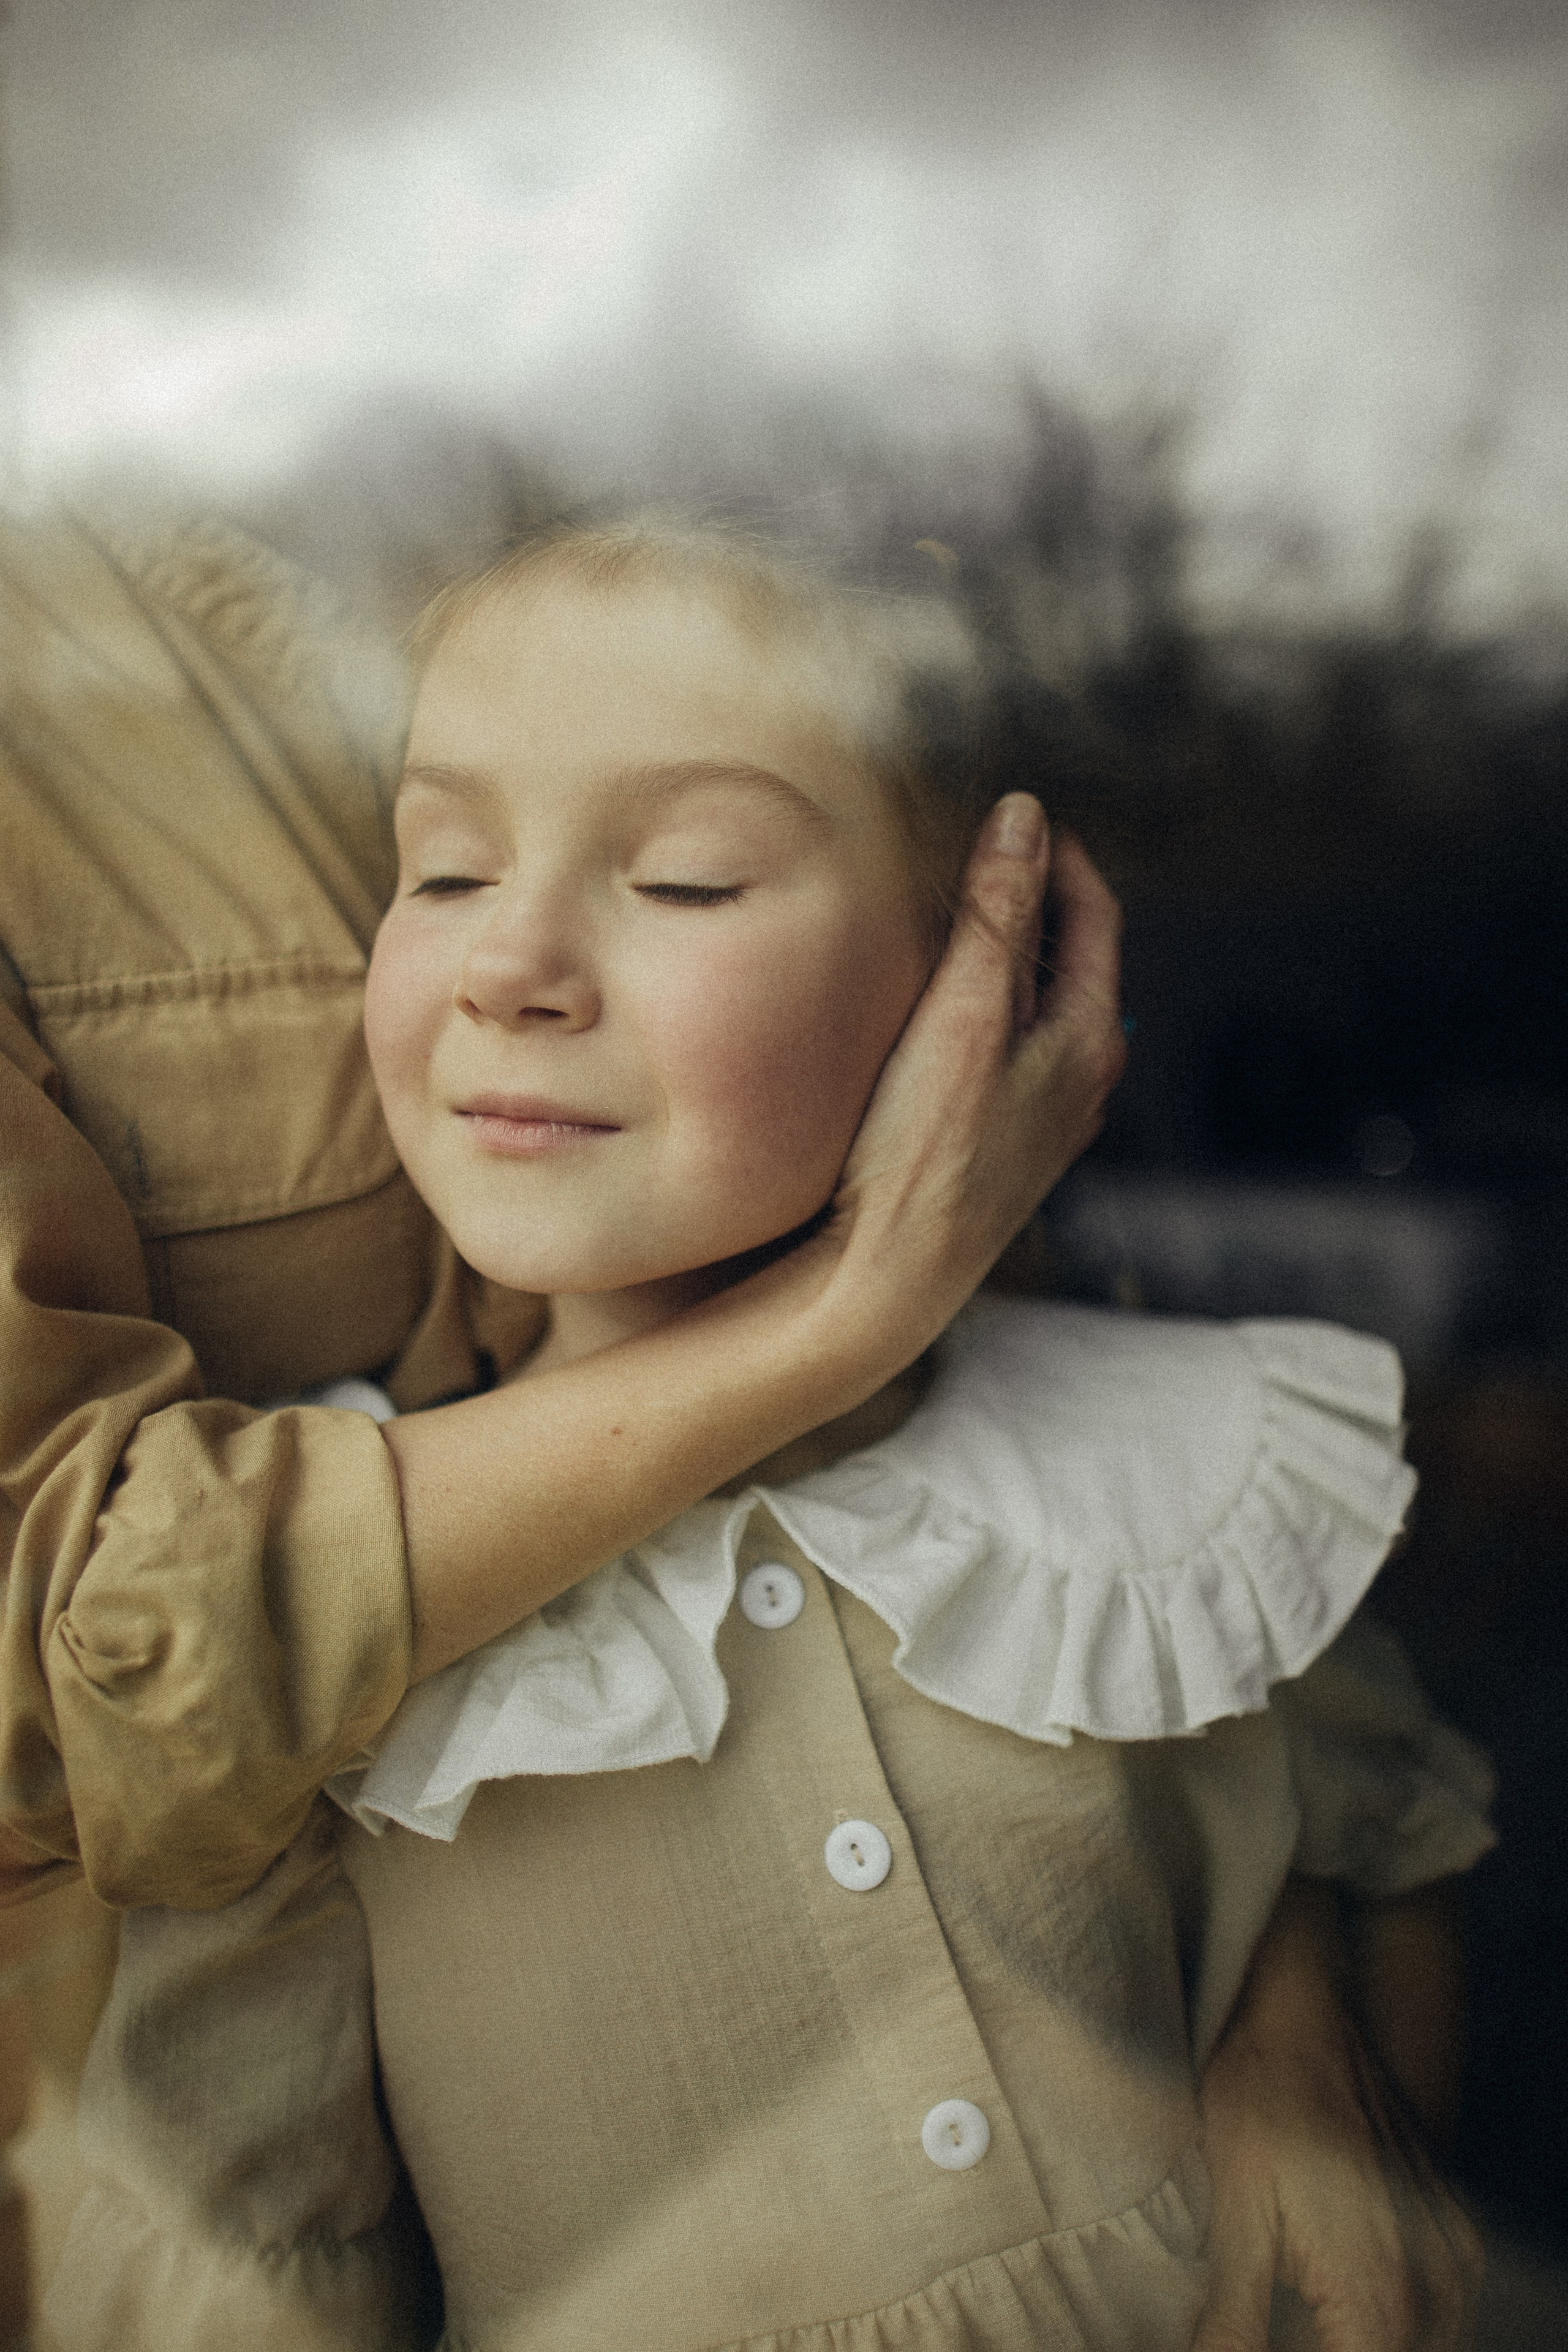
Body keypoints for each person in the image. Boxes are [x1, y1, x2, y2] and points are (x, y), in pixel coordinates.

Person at [40, 518, 1492, 2351]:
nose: (515, 967)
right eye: (447, 869)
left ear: (983, 980)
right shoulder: (332, 1634)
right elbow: (242, 2234)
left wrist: (1309, 2076)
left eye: (693, 881)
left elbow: (1385, 1847)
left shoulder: (1168, 1452)